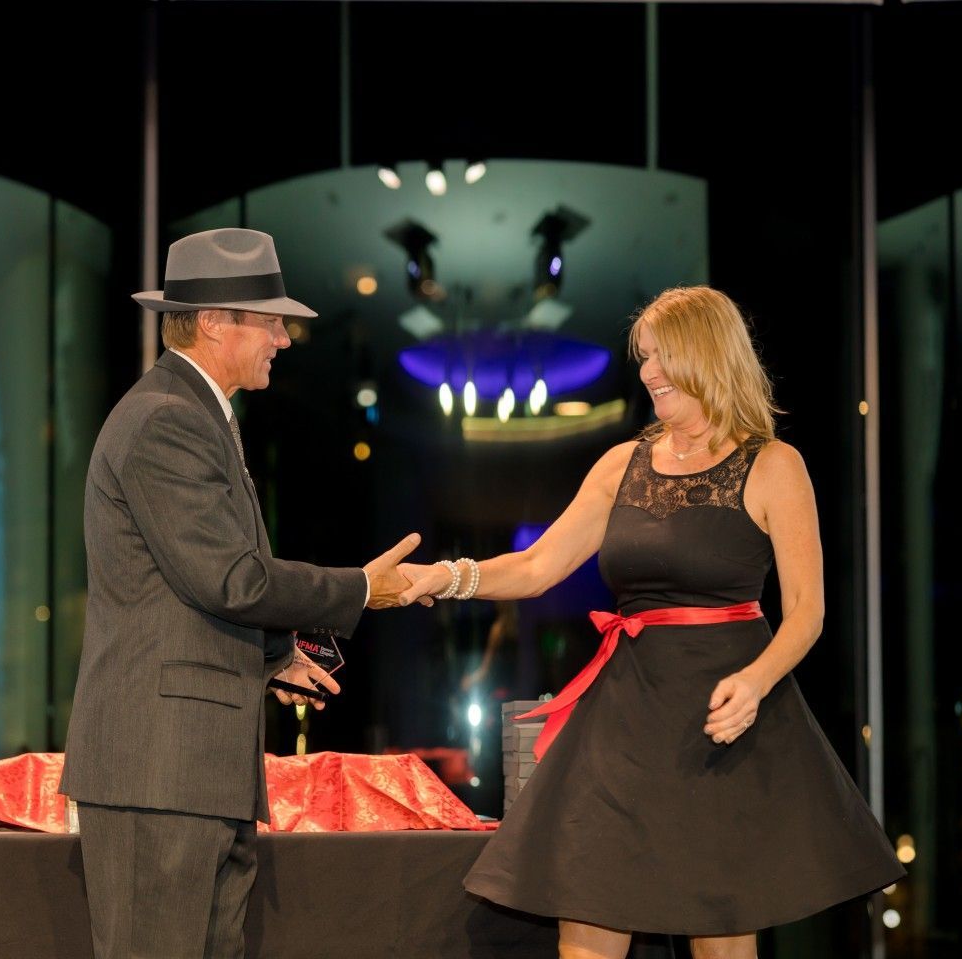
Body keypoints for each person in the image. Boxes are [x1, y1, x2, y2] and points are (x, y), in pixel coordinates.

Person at [398, 287, 905, 959]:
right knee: (587, 927)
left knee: (720, 937)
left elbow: (807, 613)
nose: (647, 373)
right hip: (624, 722)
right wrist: (446, 576)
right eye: (644, 358)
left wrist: (754, 683)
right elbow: (537, 565)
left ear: (709, 355)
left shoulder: (775, 466)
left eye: (662, 356)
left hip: (720, 724)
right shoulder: (622, 465)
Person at [60, 228, 422, 959]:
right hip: (160, 775)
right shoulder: (166, 419)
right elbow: (229, 579)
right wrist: (361, 589)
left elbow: (183, 594)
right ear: (215, 321)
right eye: (271, 320)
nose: (284, 339)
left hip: (193, 774)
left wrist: (272, 656)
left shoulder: (193, 416)